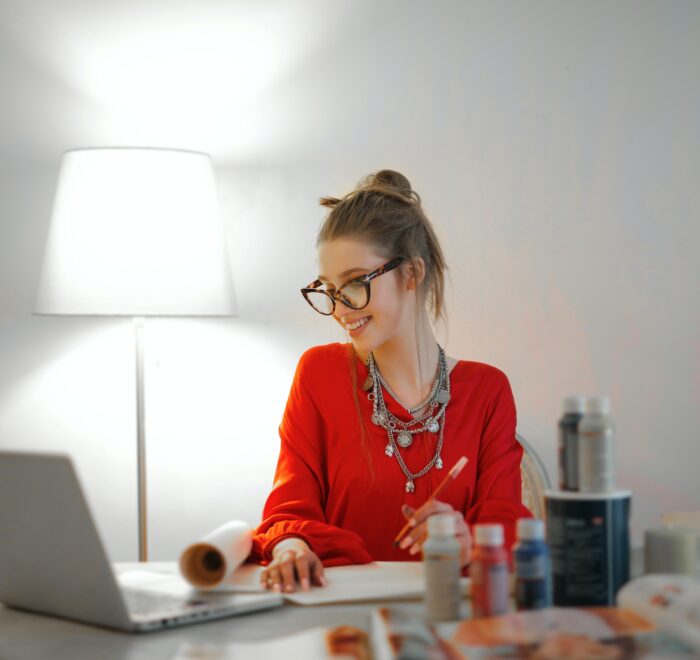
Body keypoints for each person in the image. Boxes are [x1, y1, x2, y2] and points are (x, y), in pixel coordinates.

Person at [250, 170, 532, 593]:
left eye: (355, 282)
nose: (341, 309)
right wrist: (291, 547)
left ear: (412, 274)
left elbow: (506, 522)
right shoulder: (319, 374)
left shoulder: (486, 390)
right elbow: (289, 508)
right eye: (329, 288)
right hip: (339, 618)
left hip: (449, 617)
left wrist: (467, 538)